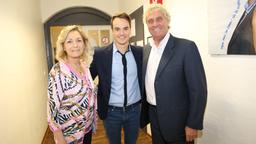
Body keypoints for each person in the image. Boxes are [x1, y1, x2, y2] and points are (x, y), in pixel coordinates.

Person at [141, 4, 207, 144]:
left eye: (159, 19)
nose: (155, 24)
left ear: (167, 21)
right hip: (154, 117)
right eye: (150, 21)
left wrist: (193, 124)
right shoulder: (146, 50)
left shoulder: (186, 48)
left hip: (179, 122)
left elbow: (198, 90)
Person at [90, 13, 142, 144]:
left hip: (134, 111)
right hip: (111, 112)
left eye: (125, 28)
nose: (122, 33)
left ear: (130, 29)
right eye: (117, 29)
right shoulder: (101, 54)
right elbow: (87, 78)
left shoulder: (140, 53)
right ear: (112, 31)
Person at [47, 25, 96, 144]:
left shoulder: (85, 66)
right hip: (69, 135)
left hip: (86, 130)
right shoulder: (57, 72)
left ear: (84, 44)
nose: (75, 45)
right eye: (69, 41)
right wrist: (60, 139)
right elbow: (51, 112)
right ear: (63, 46)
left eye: (79, 40)